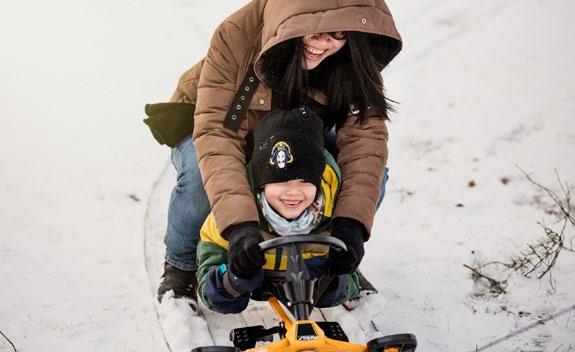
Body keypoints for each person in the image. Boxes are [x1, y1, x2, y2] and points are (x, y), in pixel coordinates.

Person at [157, 0, 402, 302]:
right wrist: (240, 226)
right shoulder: (237, 35)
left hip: (302, 127)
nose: (324, 43)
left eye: (338, 34)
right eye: (316, 30)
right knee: (200, 173)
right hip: (228, 123)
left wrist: (349, 224)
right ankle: (179, 266)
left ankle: (326, 253)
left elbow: (365, 143)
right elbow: (219, 135)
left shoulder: (352, 53)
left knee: (366, 174)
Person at [197, 107, 360, 313]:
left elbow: (350, 282)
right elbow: (208, 283)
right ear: (262, 184)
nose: (293, 192)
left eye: (304, 181)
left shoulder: (331, 214)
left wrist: (337, 279)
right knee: (227, 301)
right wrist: (233, 278)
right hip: (253, 282)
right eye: (280, 181)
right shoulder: (234, 215)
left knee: (330, 293)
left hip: (310, 285)